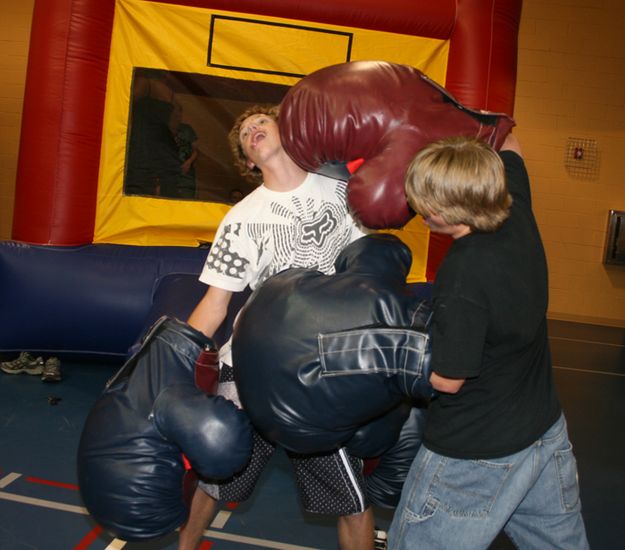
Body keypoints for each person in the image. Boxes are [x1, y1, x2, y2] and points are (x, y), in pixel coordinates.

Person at [179, 105, 377, 550]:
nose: (252, 130)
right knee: (217, 479)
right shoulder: (240, 219)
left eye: (260, 123)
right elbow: (215, 304)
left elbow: (371, 270)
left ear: (287, 133)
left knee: (352, 498)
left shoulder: (343, 194)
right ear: (248, 161)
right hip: (254, 366)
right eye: (245, 133)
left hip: (321, 368)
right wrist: (169, 355)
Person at [387, 133, 589, 549]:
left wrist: (384, 361)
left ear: (446, 210)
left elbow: (448, 378)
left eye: (425, 205)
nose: (419, 212)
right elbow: (513, 143)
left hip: (474, 456)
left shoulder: (463, 274)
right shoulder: (516, 211)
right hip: (544, 433)